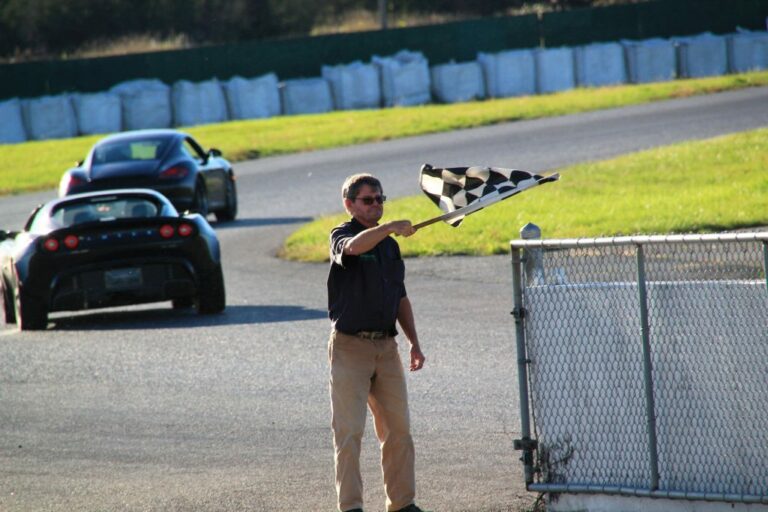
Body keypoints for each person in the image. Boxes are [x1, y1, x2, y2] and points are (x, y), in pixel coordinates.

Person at [327, 173, 426, 512]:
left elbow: (400, 297)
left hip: (387, 348)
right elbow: (353, 249)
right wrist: (388, 227)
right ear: (350, 204)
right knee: (350, 432)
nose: (376, 205)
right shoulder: (343, 234)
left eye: (380, 199)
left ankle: (402, 504)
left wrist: (414, 341)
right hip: (350, 347)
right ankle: (351, 506)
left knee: (399, 431)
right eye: (368, 200)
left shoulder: (390, 246)